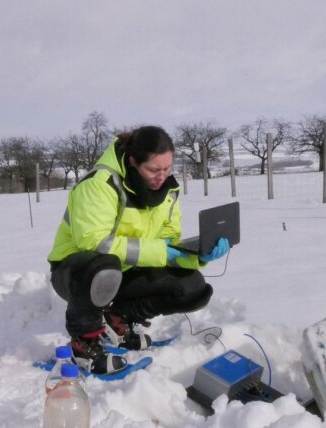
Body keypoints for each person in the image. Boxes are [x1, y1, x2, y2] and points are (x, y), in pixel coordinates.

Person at [47, 125, 230, 374]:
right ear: (133, 161)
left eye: (167, 168)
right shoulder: (99, 184)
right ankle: (84, 342)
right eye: (153, 169)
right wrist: (162, 252)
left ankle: (118, 318)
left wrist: (196, 255)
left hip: (124, 272)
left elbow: (167, 240)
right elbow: (94, 242)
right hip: (78, 273)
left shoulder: (168, 191)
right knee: (103, 266)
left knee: (192, 287)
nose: (161, 176)